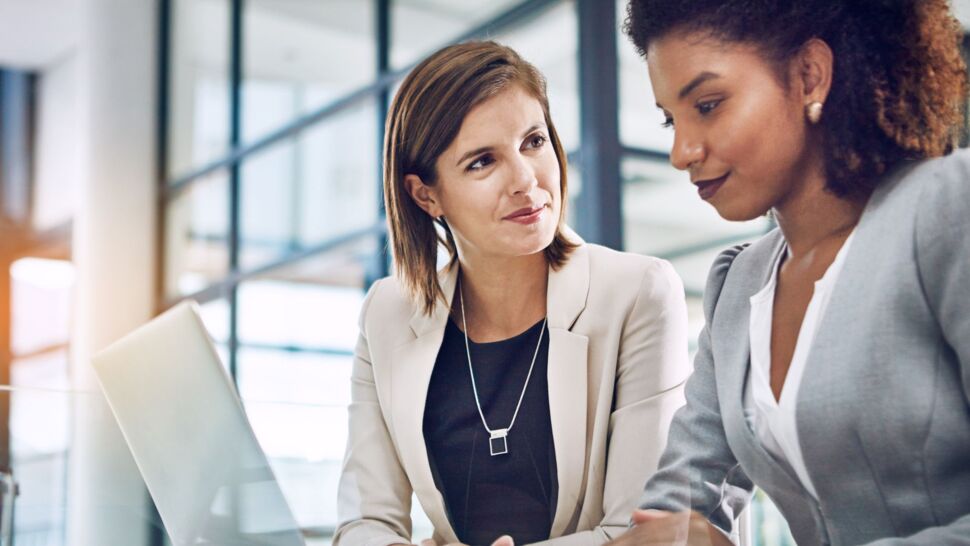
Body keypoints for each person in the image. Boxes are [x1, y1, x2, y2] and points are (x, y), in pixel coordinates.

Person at [608, 1, 970, 545]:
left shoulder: (945, 210)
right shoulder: (739, 284)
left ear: (808, 76)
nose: (681, 152)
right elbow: (672, 507)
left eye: (707, 105)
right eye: (669, 119)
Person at [333, 41, 691, 546]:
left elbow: (643, 532)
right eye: (482, 162)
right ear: (425, 195)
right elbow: (364, 523)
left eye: (533, 141)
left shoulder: (637, 293)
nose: (526, 180)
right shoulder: (387, 314)